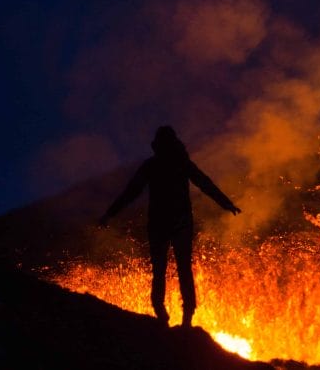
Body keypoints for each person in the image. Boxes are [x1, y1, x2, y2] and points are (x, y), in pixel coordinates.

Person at [98, 125, 241, 327]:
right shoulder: (180, 163)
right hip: (179, 222)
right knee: (182, 269)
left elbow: (131, 192)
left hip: (160, 223)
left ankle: (163, 314)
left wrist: (109, 214)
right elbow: (204, 183)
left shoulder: (154, 165)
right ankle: (185, 317)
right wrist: (226, 203)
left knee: (161, 269)